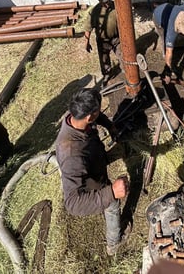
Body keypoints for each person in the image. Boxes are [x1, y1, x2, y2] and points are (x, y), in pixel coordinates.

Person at [56, 87, 130, 255]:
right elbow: (72, 204)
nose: (98, 115)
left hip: (94, 162)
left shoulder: (75, 116)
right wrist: (111, 192)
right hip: (90, 182)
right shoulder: (71, 155)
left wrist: (110, 126)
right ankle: (114, 244)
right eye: (97, 111)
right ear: (89, 116)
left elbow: (98, 117)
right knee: (112, 204)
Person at [152, 0, 184, 82]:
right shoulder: (170, 31)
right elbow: (169, 51)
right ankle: (166, 60)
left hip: (167, 7)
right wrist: (167, 71)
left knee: (171, 42)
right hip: (157, 16)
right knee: (164, 39)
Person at [83, 0, 121, 86]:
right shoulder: (95, 11)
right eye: (105, 2)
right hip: (103, 41)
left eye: (109, 1)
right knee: (104, 60)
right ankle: (107, 75)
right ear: (99, 0)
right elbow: (88, 27)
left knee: (123, 55)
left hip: (117, 39)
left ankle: (126, 72)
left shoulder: (117, 6)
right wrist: (86, 42)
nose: (108, 3)